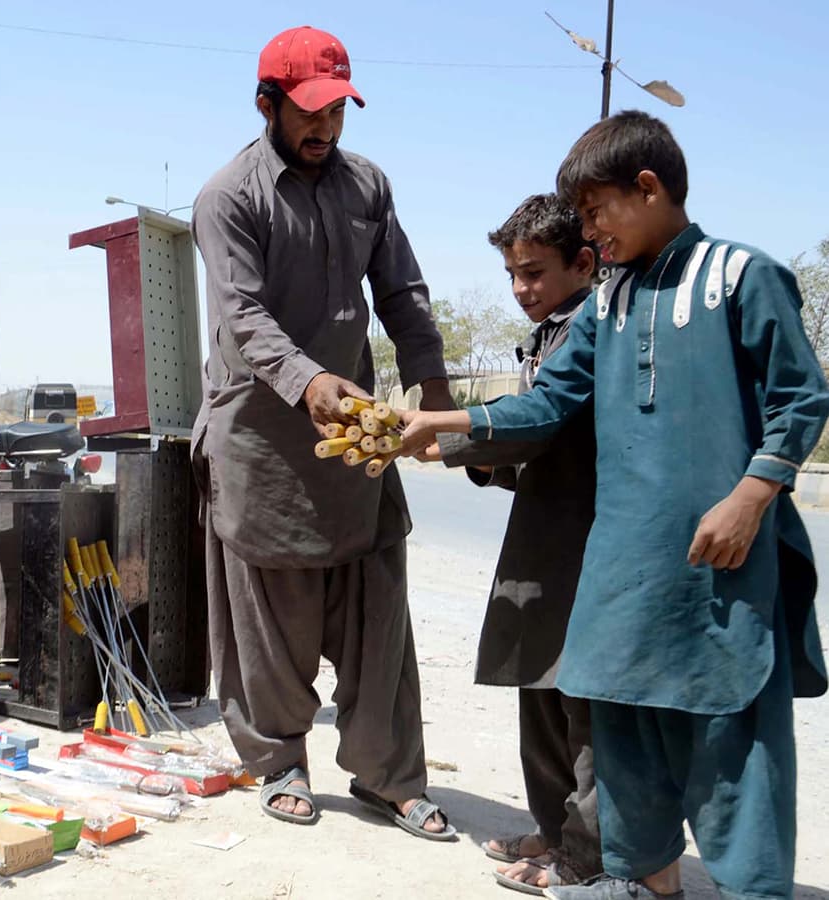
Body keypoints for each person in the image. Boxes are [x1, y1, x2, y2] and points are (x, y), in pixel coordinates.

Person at [398, 110, 829, 900]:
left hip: (720, 566)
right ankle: (642, 884)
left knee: (734, 750)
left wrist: (750, 495)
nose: (591, 234)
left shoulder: (743, 275)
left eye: (596, 213)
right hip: (624, 568)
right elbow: (549, 403)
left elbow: (800, 400)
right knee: (626, 737)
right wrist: (446, 422)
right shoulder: (609, 301)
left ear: (649, 187)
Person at [191, 24, 456, 838]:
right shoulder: (229, 196)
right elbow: (243, 317)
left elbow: (403, 293)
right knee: (271, 613)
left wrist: (436, 395)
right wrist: (306, 381)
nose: (326, 129)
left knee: (378, 604)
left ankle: (388, 775)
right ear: (267, 103)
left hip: (355, 438)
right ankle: (279, 758)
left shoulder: (367, 185)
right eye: (310, 113)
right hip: (260, 437)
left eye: (338, 111)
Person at [425, 194, 602, 893]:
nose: (523, 289)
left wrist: (445, 433)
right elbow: (530, 446)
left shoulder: (593, 325)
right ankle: (556, 831)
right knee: (539, 684)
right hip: (544, 530)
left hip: (590, 535)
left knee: (583, 702)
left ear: (582, 262)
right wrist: (477, 455)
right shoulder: (550, 332)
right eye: (513, 275)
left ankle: (587, 855)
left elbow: (547, 420)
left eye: (535, 272)